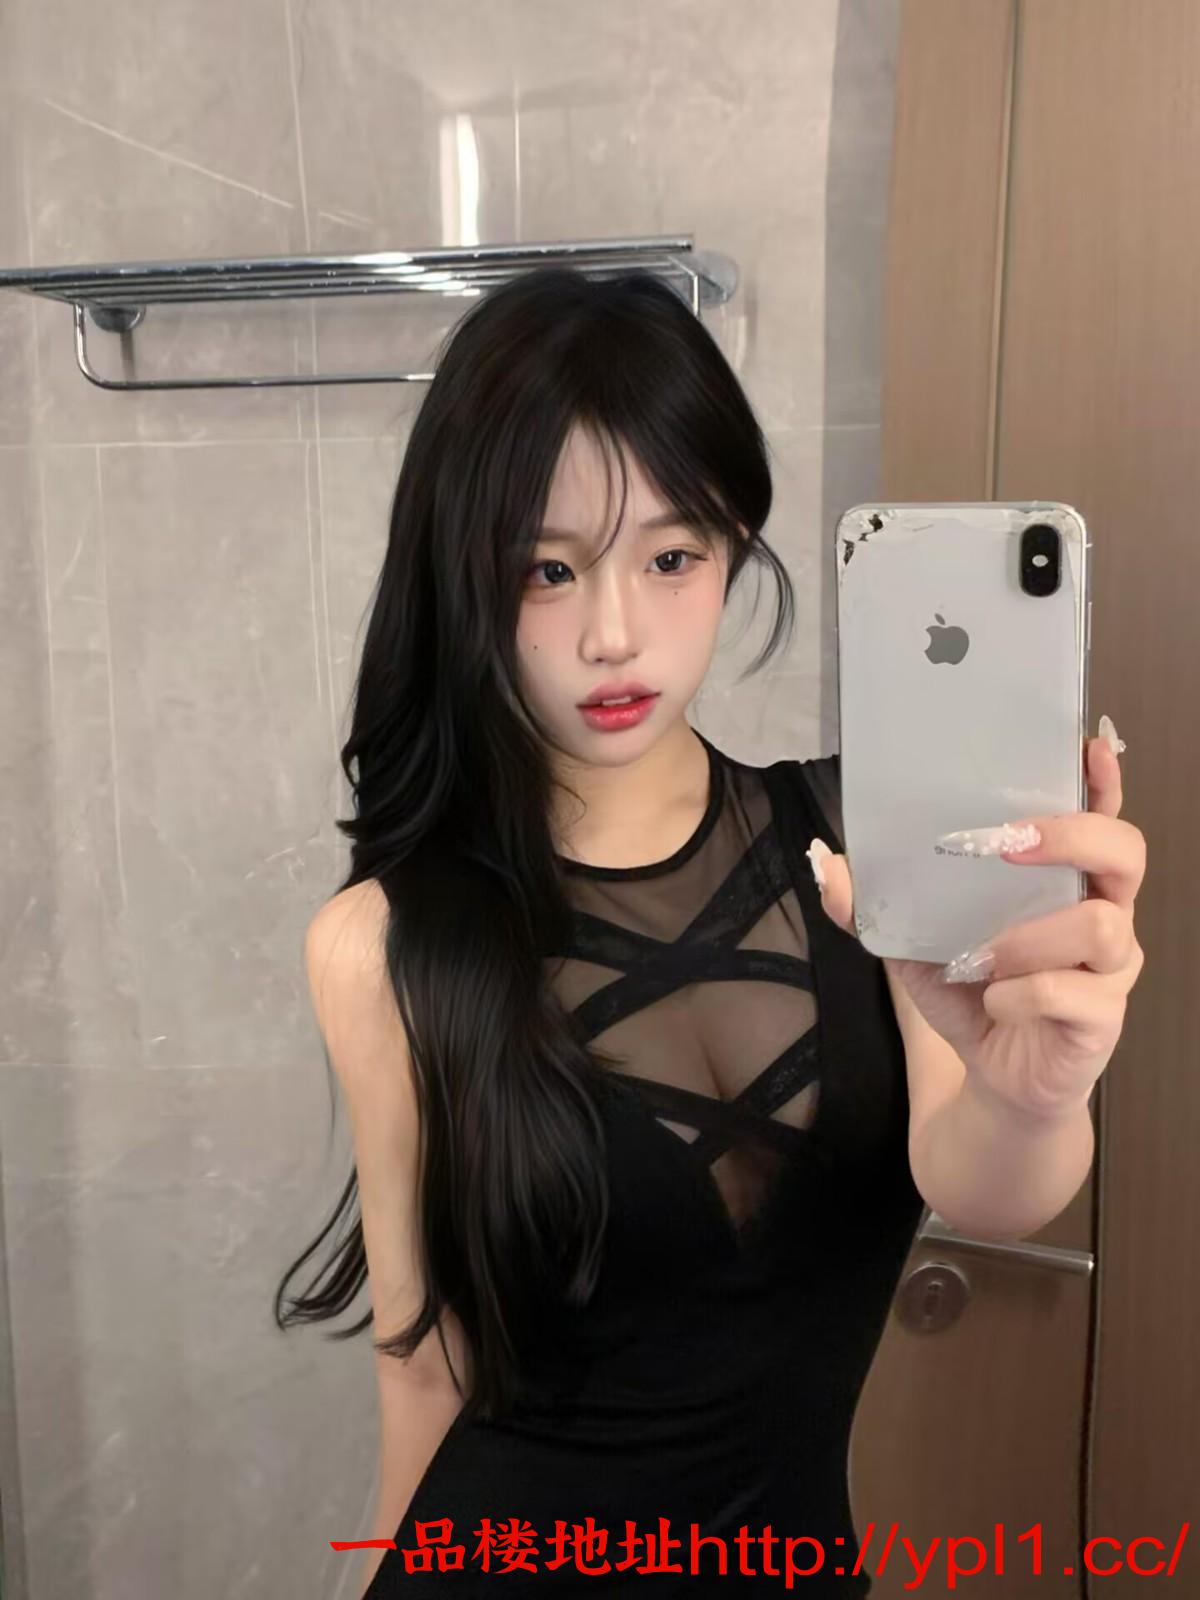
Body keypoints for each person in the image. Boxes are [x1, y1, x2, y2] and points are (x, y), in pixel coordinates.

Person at [276, 266, 926, 1596]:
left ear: (734, 541)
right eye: (549, 570)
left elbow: (1000, 1174)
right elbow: (425, 1370)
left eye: (670, 557)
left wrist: (1046, 1083)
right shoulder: (384, 945)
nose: (613, 633)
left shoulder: (874, 841)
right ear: (468, 581)